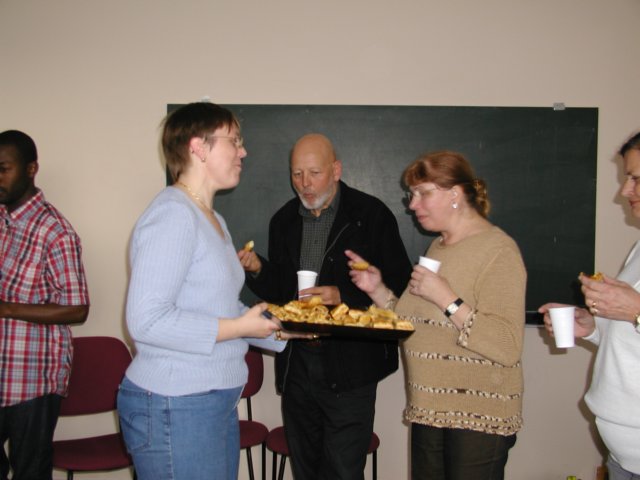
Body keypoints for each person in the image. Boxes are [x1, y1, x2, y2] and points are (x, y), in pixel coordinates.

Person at [117, 102, 306, 480]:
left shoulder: (212, 218)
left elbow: (218, 307)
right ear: (198, 148)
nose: (243, 151)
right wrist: (240, 328)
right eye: (234, 141)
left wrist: (280, 329)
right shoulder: (172, 214)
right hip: (176, 403)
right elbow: (146, 320)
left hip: (209, 400)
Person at [238, 133, 412, 479]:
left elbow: (400, 286)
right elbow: (283, 291)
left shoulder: (370, 215)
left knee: (343, 471)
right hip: (298, 364)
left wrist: (342, 295)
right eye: (296, 173)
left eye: (314, 173)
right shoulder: (283, 220)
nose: (304, 183)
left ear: (336, 170)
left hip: (351, 366)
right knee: (305, 468)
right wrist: (258, 270)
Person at [347, 150, 526, 480]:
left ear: (455, 194)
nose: (412, 205)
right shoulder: (439, 247)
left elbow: (507, 345)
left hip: (478, 414)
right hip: (429, 407)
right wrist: (378, 290)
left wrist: (446, 298)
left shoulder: (499, 251)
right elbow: (416, 324)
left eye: (422, 193)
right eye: (411, 194)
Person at [539, 131, 640, 480]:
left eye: (636, 179)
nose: (624, 191)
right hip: (622, 458)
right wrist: (594, 328)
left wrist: (636, 311)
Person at [0, 130, 90, 480]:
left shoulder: (55, 232)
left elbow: (78, 309)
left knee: (31, 472)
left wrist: (6, 308)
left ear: (31, 169)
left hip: (31, 380)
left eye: (4, 169)